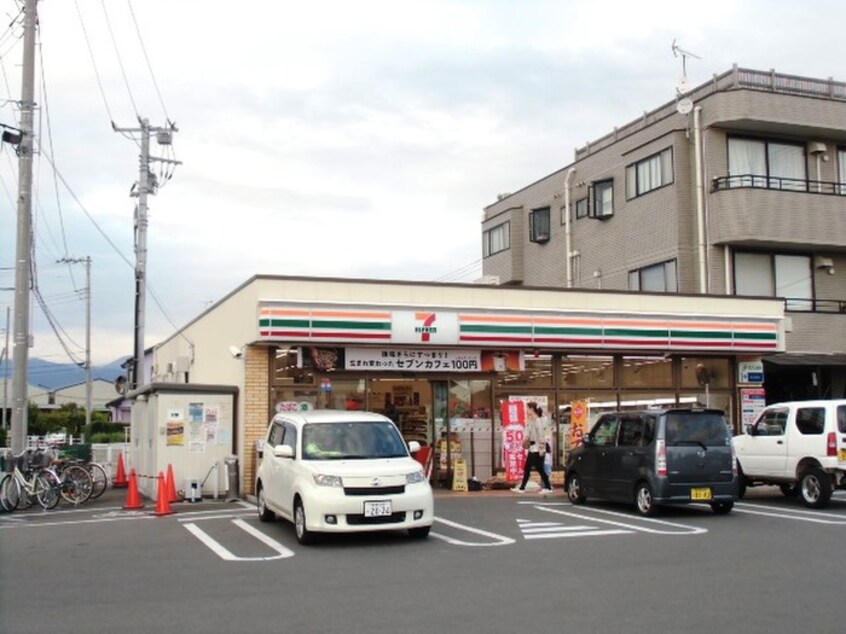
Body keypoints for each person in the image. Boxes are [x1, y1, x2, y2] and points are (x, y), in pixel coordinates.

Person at [512, 402, 553, 494]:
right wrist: (527, 439)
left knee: (539, 468)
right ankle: (522, 488)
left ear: (531, 409)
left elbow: (541, 435)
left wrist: (542, 449)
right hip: (533, 448)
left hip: (538, 448)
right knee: (527, 468)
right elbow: (530, 434)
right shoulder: (532, 421)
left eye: (527, 408)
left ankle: (548, 487)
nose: (526, 410)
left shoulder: (538, 420)